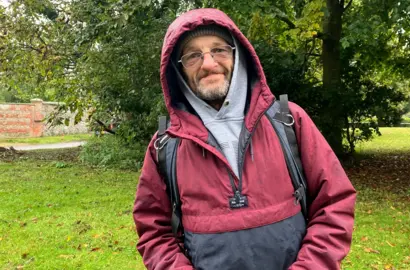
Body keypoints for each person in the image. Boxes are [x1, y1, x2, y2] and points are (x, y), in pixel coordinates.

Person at [133, 8, 356, 270]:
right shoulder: (165, 144)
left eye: (219, 49)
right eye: (193, 55)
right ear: (177, 69)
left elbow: (334, 202)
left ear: (238, 55)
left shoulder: (289, 120)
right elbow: (154, 231)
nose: (208, 63)